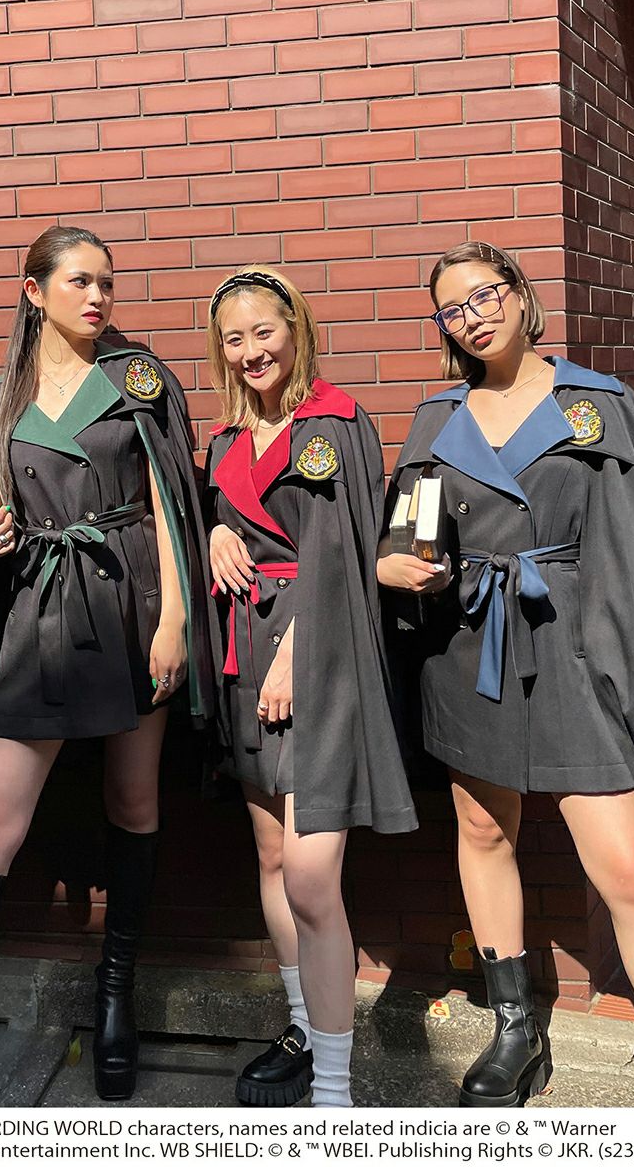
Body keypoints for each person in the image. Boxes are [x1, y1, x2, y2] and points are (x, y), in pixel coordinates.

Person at [0, 226, 215, 1107]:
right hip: (43, 615)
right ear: (33, 291)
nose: (97, 298)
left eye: (107, 283)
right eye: (78, 282)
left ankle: (115, 999)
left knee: (134, 800)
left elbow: (168, 505)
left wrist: (176, 620)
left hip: (134, 604)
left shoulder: (139, 380)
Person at [379, 241, 634, 1108]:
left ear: (520, 295)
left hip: (572, 646)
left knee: (629, 869)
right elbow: (406, 528)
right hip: (467, 647)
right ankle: (516, 1030)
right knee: (484, 832)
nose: (472, 317)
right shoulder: (438, 416)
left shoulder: (598, 405)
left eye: (485, 295)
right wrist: (391, 564)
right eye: (453, 309)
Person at [203, 267, 417, 1109]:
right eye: (234, 338)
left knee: (311, 877)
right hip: (242, 651)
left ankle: (334, 1089)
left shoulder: (336, 421)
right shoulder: (224, 440)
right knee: (269, 858)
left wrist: (300, 650)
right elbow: (225, 514)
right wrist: (217, 530)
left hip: (318, 656)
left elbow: (345, 552)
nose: (251, 350)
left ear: (296, 329)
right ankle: (302, 1029)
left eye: (264, 331)